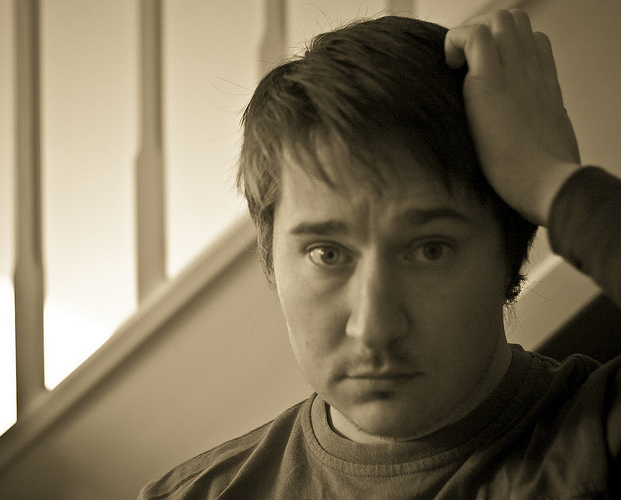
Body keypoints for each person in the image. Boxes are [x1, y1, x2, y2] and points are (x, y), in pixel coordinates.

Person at [139, 10, 621, 499]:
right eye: (327, 254)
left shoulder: (600, 442)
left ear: (508, 253)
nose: (373, 327)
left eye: (430, 251)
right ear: (270, 257)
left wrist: (552, 182)